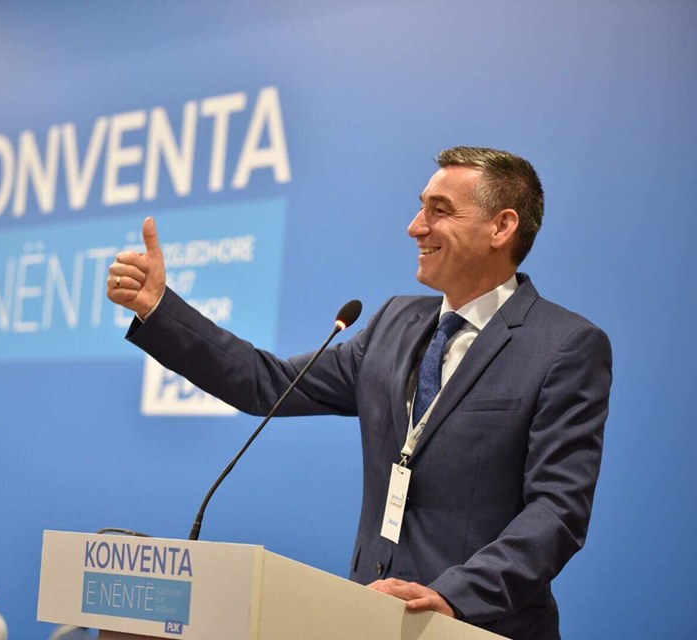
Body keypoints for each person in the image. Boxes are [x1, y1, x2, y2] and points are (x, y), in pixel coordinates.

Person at [106, 146, 611, 640]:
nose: (415, 227)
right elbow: (268, 384)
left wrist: (454, 596)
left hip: (480, 627)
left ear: (501, 227)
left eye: (439, 211)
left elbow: (557, 512)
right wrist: (159, 308)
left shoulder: (563, 346)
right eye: (420, 207)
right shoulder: (395, 323)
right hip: (371, 620)